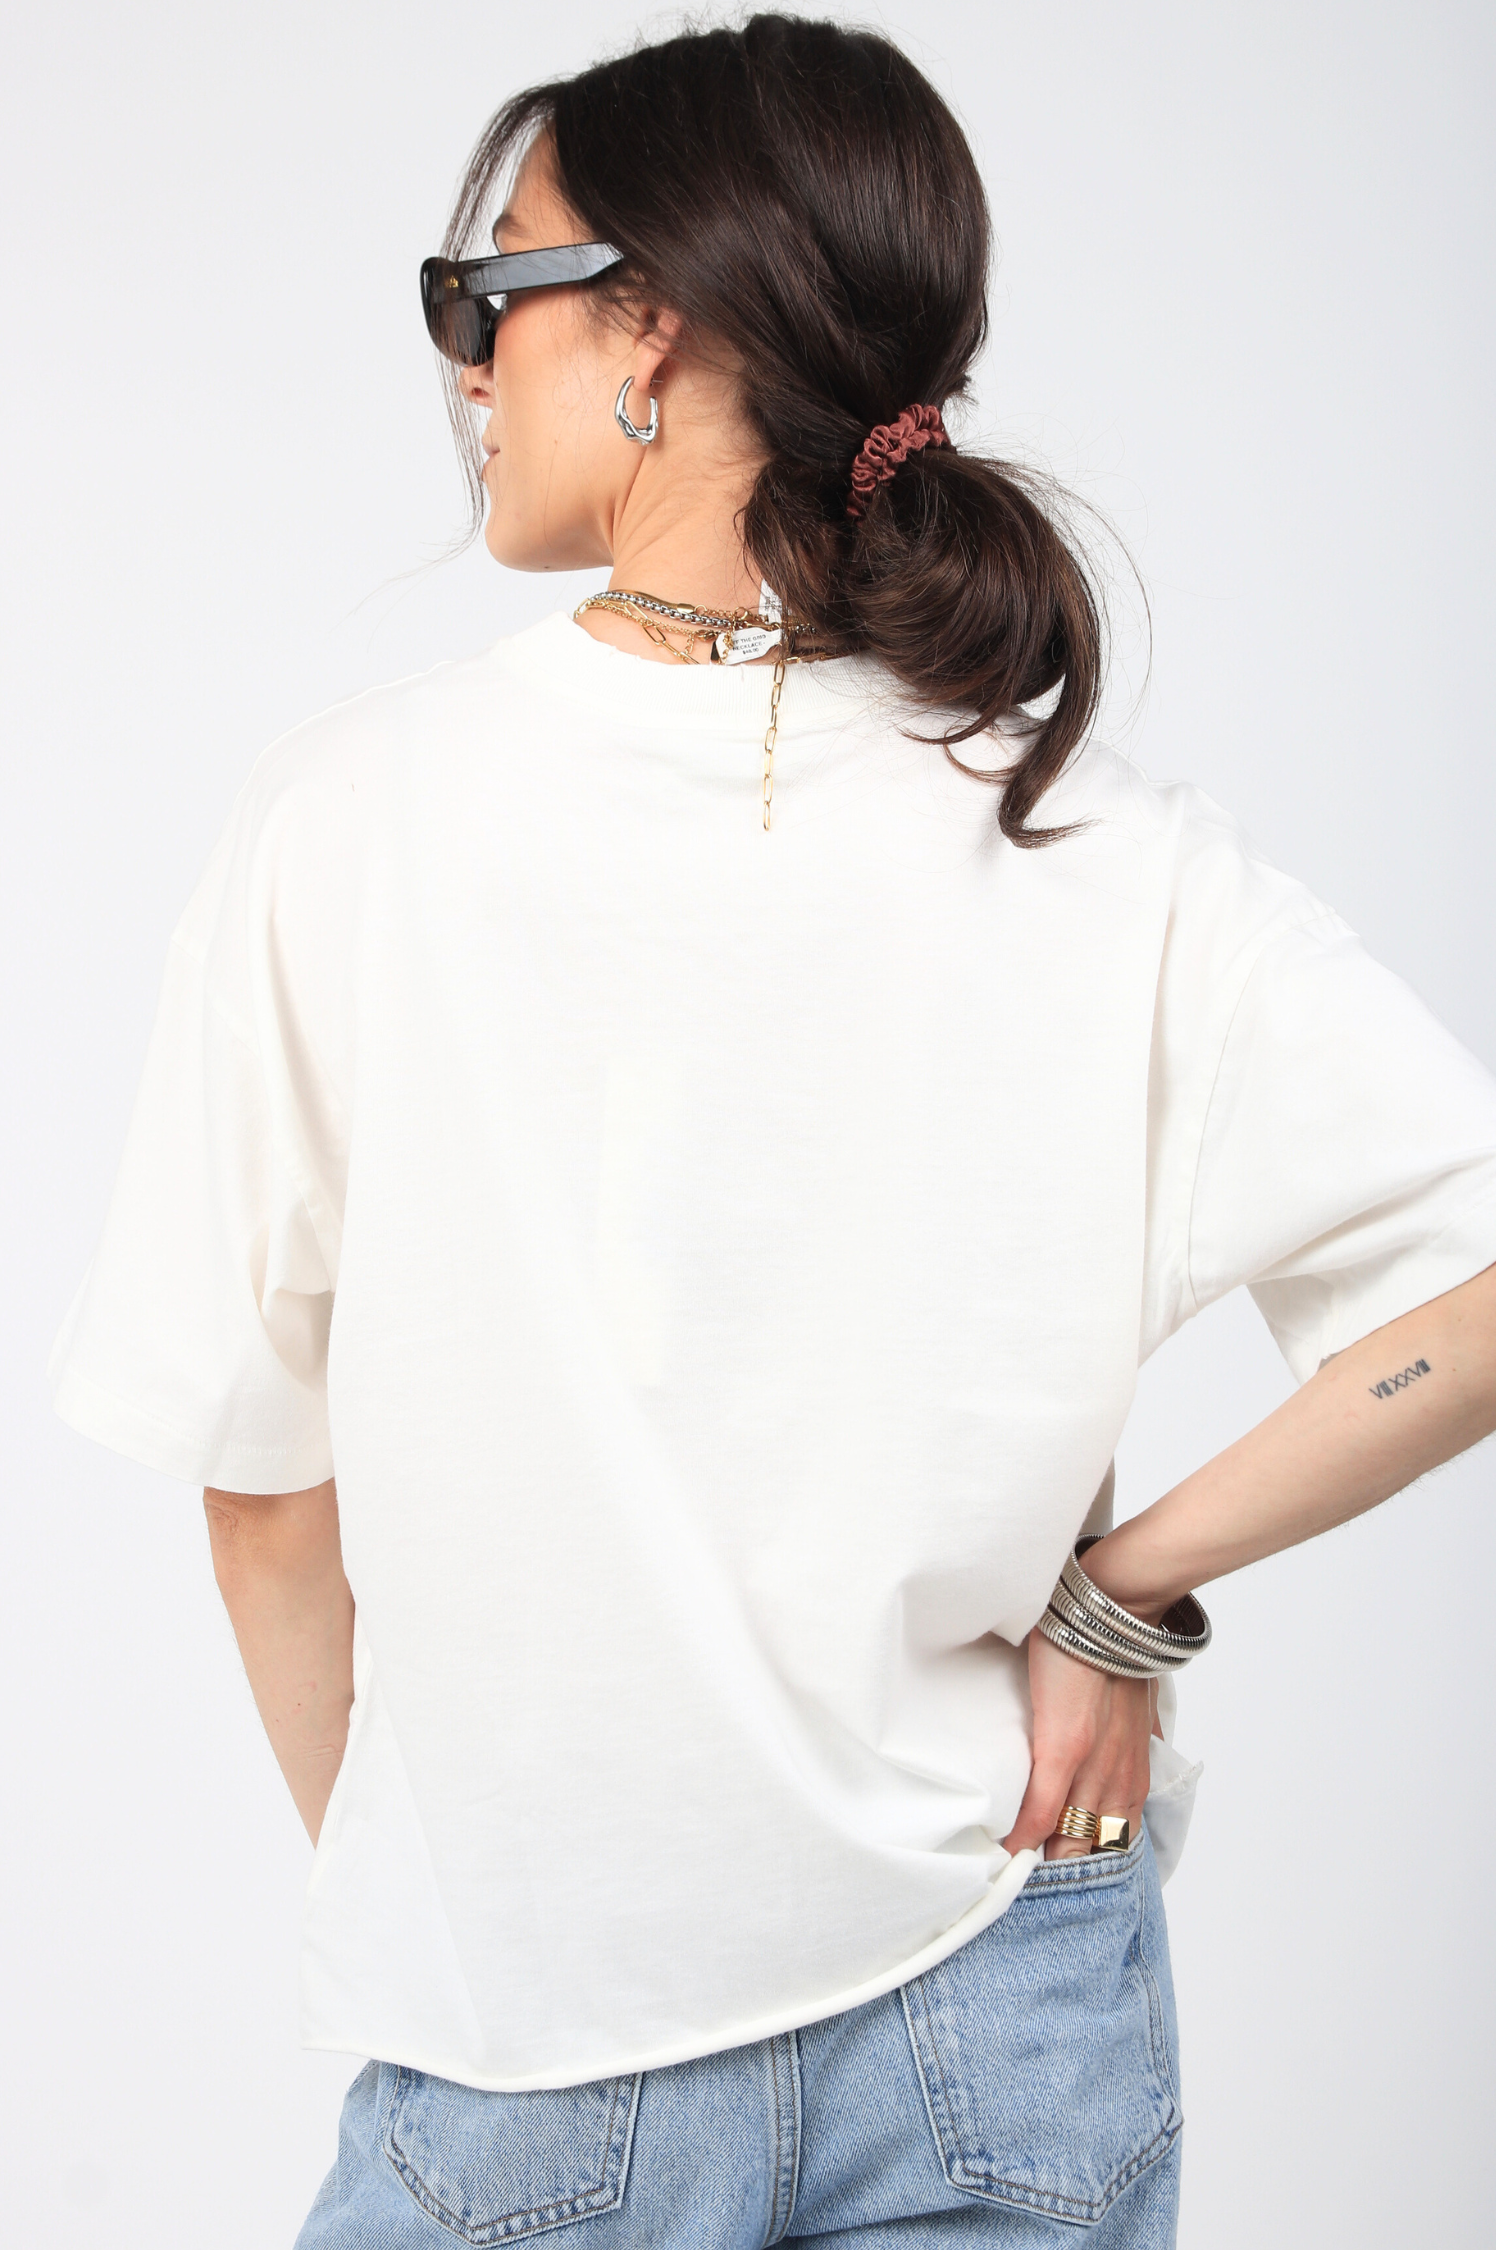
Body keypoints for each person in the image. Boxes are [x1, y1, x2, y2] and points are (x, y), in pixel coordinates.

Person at [48, 15, 1496, 2248]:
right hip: (1000, 1984)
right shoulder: (1095, 839)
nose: (463, 362)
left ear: (650, 326)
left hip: (533, 2034)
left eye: (487, 290)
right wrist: (1116, 1603)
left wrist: (456, 1905)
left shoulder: (354, 820)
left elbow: (261, 1496)